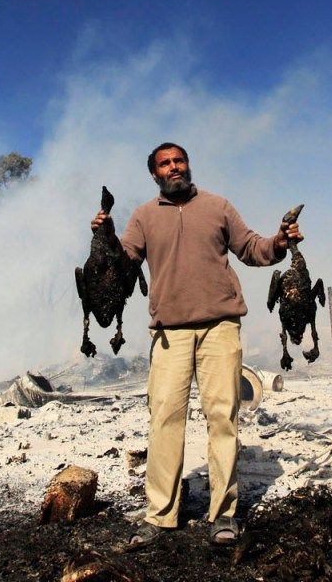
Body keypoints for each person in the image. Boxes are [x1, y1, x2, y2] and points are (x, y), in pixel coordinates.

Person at [89, 142, 302, 548]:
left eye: (179, 161)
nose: (174, 167)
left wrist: (279, 241)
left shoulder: (218, 206)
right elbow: (124, 266)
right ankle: (159, 515)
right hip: (169, 332)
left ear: (188, 165)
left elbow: (252, 249)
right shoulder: (144, 216)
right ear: (154, 174)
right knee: (164, 418)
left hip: (220, 326)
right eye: (165, 164)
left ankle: (223, 514)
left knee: (222, 417)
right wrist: (107, 237)